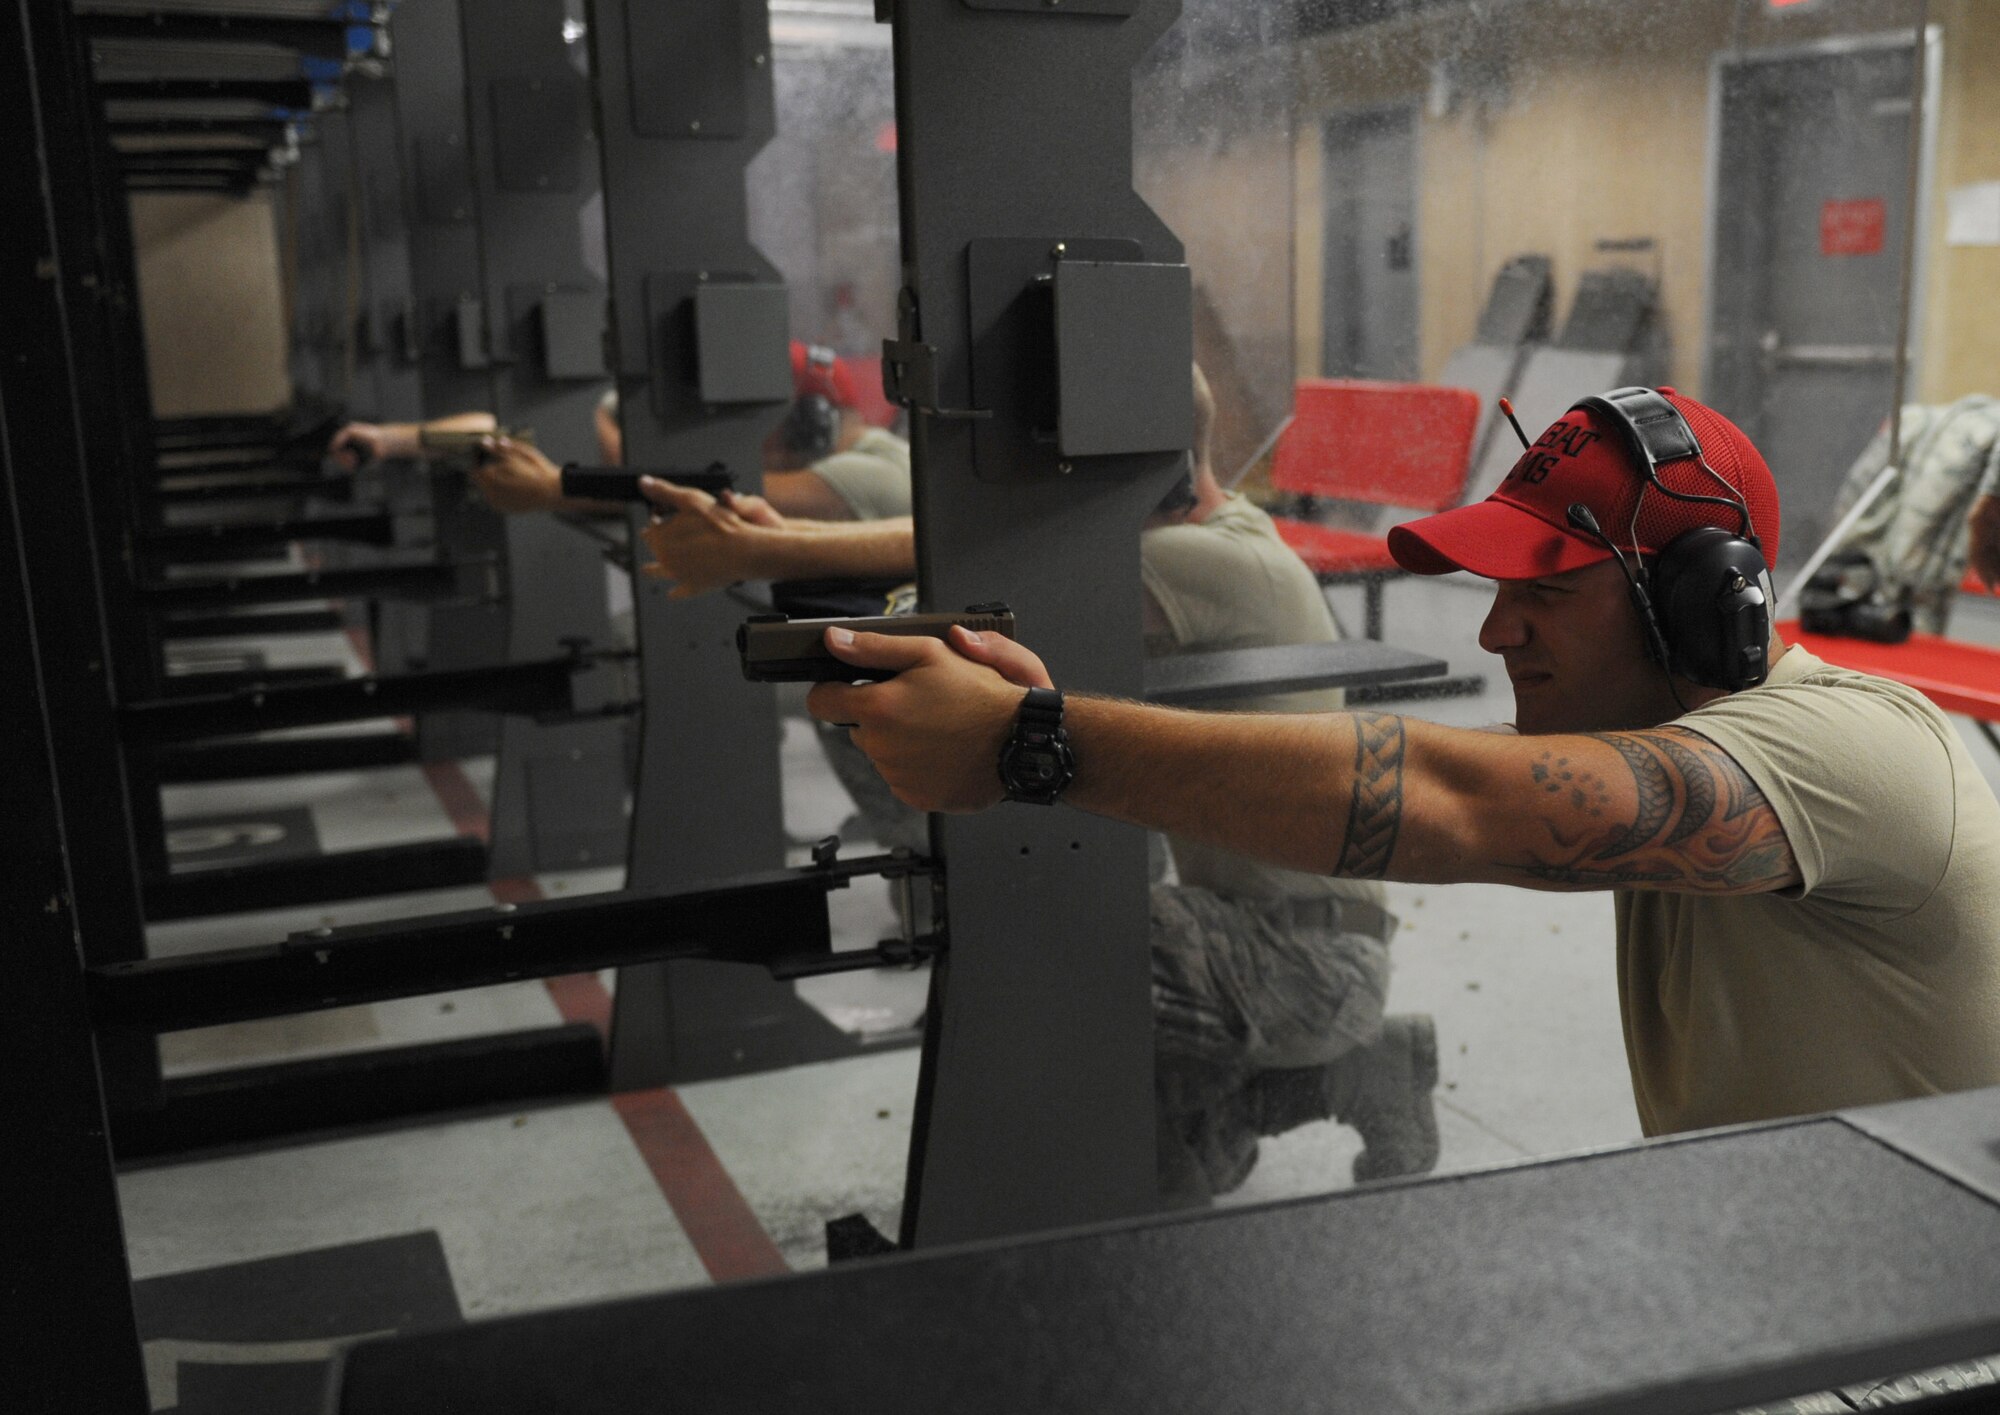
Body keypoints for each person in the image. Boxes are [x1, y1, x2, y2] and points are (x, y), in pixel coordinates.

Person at [806, 386, 2000, 1137]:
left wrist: (1037, 745)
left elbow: (1451, 801)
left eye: (1544, 590)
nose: (1493, 631)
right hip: (1791, 1281)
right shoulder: (1692, 747)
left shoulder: (1858, 748)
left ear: (1701, 602)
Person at [637, 366, 1441, 1200]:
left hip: (1304, 956)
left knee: (1042, 930)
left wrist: (773, 551)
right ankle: (1335, 1081)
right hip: (1269, 932)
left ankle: (1206, 1133)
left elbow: (976, 601)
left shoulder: (1207, 560)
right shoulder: (1200, 541)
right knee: (1178, 1138)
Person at [323, 342, 911, 522]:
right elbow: (502, 432)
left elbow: (709, 496)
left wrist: (555, 486)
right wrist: (392, 438)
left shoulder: (865, 479)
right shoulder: (838, 448)